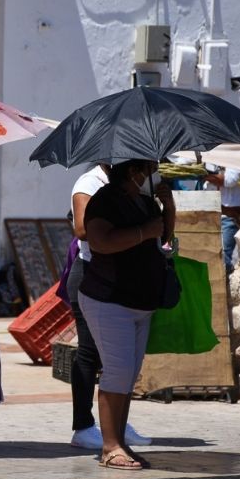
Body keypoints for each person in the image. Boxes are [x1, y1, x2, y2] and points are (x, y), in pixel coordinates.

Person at [78, 159, 175, 470]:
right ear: (133, 172)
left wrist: (167, 206)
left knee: (128, 374)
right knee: (117, 371)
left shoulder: (145, 202)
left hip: (140, 302)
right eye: (148, 170)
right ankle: (110, 447)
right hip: (109, 300)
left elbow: (163, 237)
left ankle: (120, 440)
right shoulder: (104, 201)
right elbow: (99, 241)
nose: (151, 175)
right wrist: (142, 231)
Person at [67, 164, 151, 450]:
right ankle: (84, 425)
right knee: (90, 353)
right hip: (92, 273)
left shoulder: (136, 190)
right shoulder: (90, 183)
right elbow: (81, 228)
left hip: (121, 278)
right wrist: (131, 230)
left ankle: (115, 423)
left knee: (120, 361)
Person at [203, 163, 240, 271]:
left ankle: (225, 282)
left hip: (231, 214)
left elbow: (229, 180)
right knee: (211, 251)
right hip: (214, 212)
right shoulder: (210, 159)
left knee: (224, 255)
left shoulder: (231, 157)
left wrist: (202, 174)